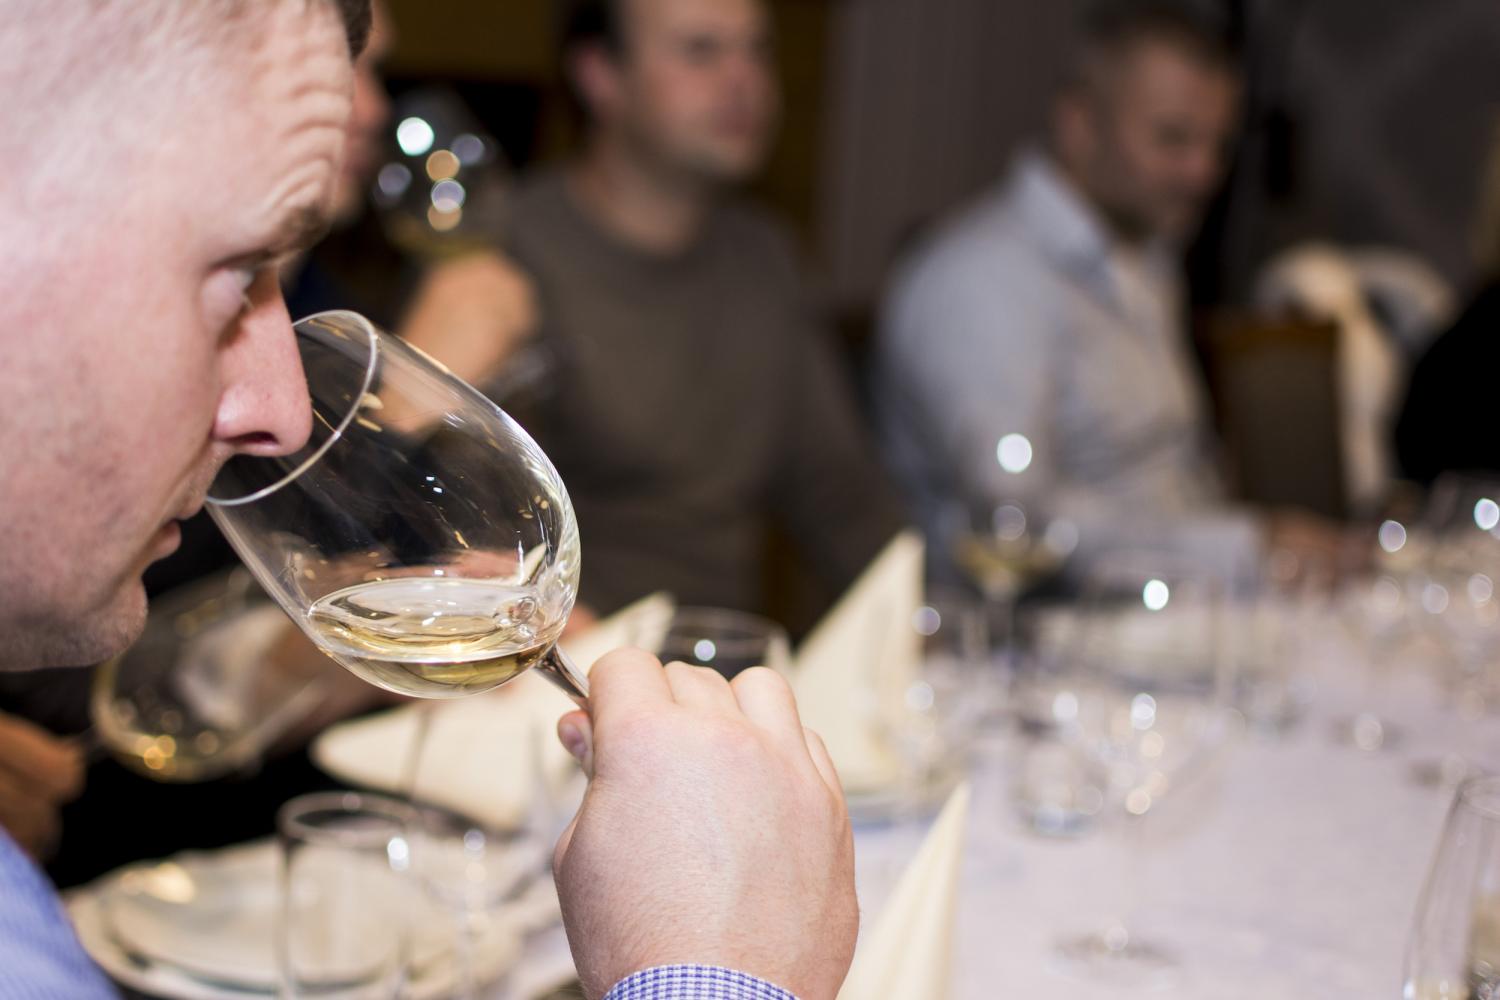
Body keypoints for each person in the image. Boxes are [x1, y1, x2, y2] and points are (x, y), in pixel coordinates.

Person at [0, 3, 856, 999]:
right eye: (236, 282)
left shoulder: (760, 260)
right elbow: (134, 681)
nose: (282, 407)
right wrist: (710, 965)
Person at [403, 0, 906, 619]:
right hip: (566, 654)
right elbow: (446, 533)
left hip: (721, 652)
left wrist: (924, 616)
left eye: (758, 50)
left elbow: (842, 498)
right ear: (600, 75)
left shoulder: (766, 257)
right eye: (701, 50)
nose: (744, 79)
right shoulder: (498, 259)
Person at [874, 1, 1334, 581]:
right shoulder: (980, 279)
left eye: (1218, 145)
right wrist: (1245, 549)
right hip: (1041, 626)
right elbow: (1018, 520)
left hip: (1183, 608)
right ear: (1079, 124)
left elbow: (1177, 474)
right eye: (1172, 138)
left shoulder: (1146, 252)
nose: (1202, 172)